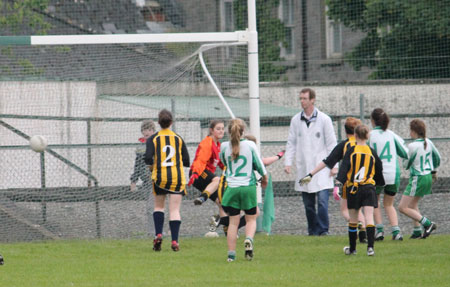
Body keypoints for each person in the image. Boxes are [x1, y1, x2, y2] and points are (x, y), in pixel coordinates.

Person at [299, 117, 368, 243]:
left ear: (346, 131)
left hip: (349, 183)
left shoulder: (344, 145)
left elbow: (328, 161)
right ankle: (363, 231)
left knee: (345, 209)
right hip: (365, 182)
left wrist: (311, 174)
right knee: (360, 210)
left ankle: (358, 226)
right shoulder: (365, 146)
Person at [284, 88, 337, 236]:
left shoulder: (324, 119)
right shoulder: (295, 120)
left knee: (322, 202)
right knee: (308, 204)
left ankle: (323, 230)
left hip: (322, 168)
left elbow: (332, 144)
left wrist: (334, 166)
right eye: (300, 98)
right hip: (304, 167)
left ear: (312, 100)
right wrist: (288, 162)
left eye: (305, 98)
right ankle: (313, 231)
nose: (302, 101)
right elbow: (291, 143)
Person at [210, 134, 284, 235]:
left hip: (229, 187)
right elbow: (263, 162)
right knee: (251, 214)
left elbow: (222, 160)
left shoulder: (230, 149)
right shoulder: (247, 152)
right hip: (236, 186)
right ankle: (245, 238)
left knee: (238, 216)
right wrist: (279, 156)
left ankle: (225, 227)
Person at [219, 118, 268, 262]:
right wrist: (264, 178)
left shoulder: (224, 147)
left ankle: (231, 255)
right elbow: (259, 165)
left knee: (233, 223)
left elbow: (223, 162)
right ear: (243, 131)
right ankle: (248, 240)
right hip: (248, 187)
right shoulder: (251, 145)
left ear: (229, 132)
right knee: (251, 219)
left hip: (232, 188)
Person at [144, 109, 190, 252]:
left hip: (160, 178)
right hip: (176, 178)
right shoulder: (178, 138)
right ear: (171, 122)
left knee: (159, 207)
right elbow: (187, 161)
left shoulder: (153, 139)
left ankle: (158, 234)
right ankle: (175, 241)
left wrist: (153, 167)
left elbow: (147, 158)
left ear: (158, 123)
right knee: (175, 209)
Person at [335, 125, 385, 256]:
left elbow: (344, 168)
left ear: (355, 136)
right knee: (369, 217)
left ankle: (352, 249)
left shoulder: (351, 151)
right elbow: (379, 167)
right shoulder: (371, 152)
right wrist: (380, 182)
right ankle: (370, 248)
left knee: (353, 219)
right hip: (369, 188)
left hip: (354, 188)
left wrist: (337, 183)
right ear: (367, 136)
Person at [368, 108, 409, 241]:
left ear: (373, 121)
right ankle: (396, 231)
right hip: (393, 173)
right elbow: (405, 152)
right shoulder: (391, 134)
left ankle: (379, 231)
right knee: (389, 204)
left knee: (375, 202)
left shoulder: (370, 135)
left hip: (377, 174)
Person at [398, 119, 440, 239]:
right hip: (428, 176)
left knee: (402, 207)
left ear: (414, 131)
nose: (409, 133)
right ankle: (417, 231)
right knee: (412, 204)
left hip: (418, 177)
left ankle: (428, 223)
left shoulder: (412, 146)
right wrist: (433, 170)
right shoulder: (429, 142)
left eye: (410, 130)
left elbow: (406, 164)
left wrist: (404, 157)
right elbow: (438, 158)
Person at [188, 119, 225, 208]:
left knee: (222, 202)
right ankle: (202, 197)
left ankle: (221, 221)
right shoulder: (207, 143)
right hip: (199, 172)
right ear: (211, 130)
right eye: (218, 129)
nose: (221, 131)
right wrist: (195, 173)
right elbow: (200, 160)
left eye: (223, 129)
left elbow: (221, 163)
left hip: (207, 175)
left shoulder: (218, 145)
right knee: (217, 180)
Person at [130, 120, 156, 234]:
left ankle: (155, 231)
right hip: (146, 182)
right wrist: (133, 181)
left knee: (152, 207)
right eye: (144, 130)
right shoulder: (140, 146)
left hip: (158, 181)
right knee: (150, 208)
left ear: (153, 131)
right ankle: (153, 231)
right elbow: (138, 164)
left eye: (149, 130)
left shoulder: (159, 143)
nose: (147, 132)